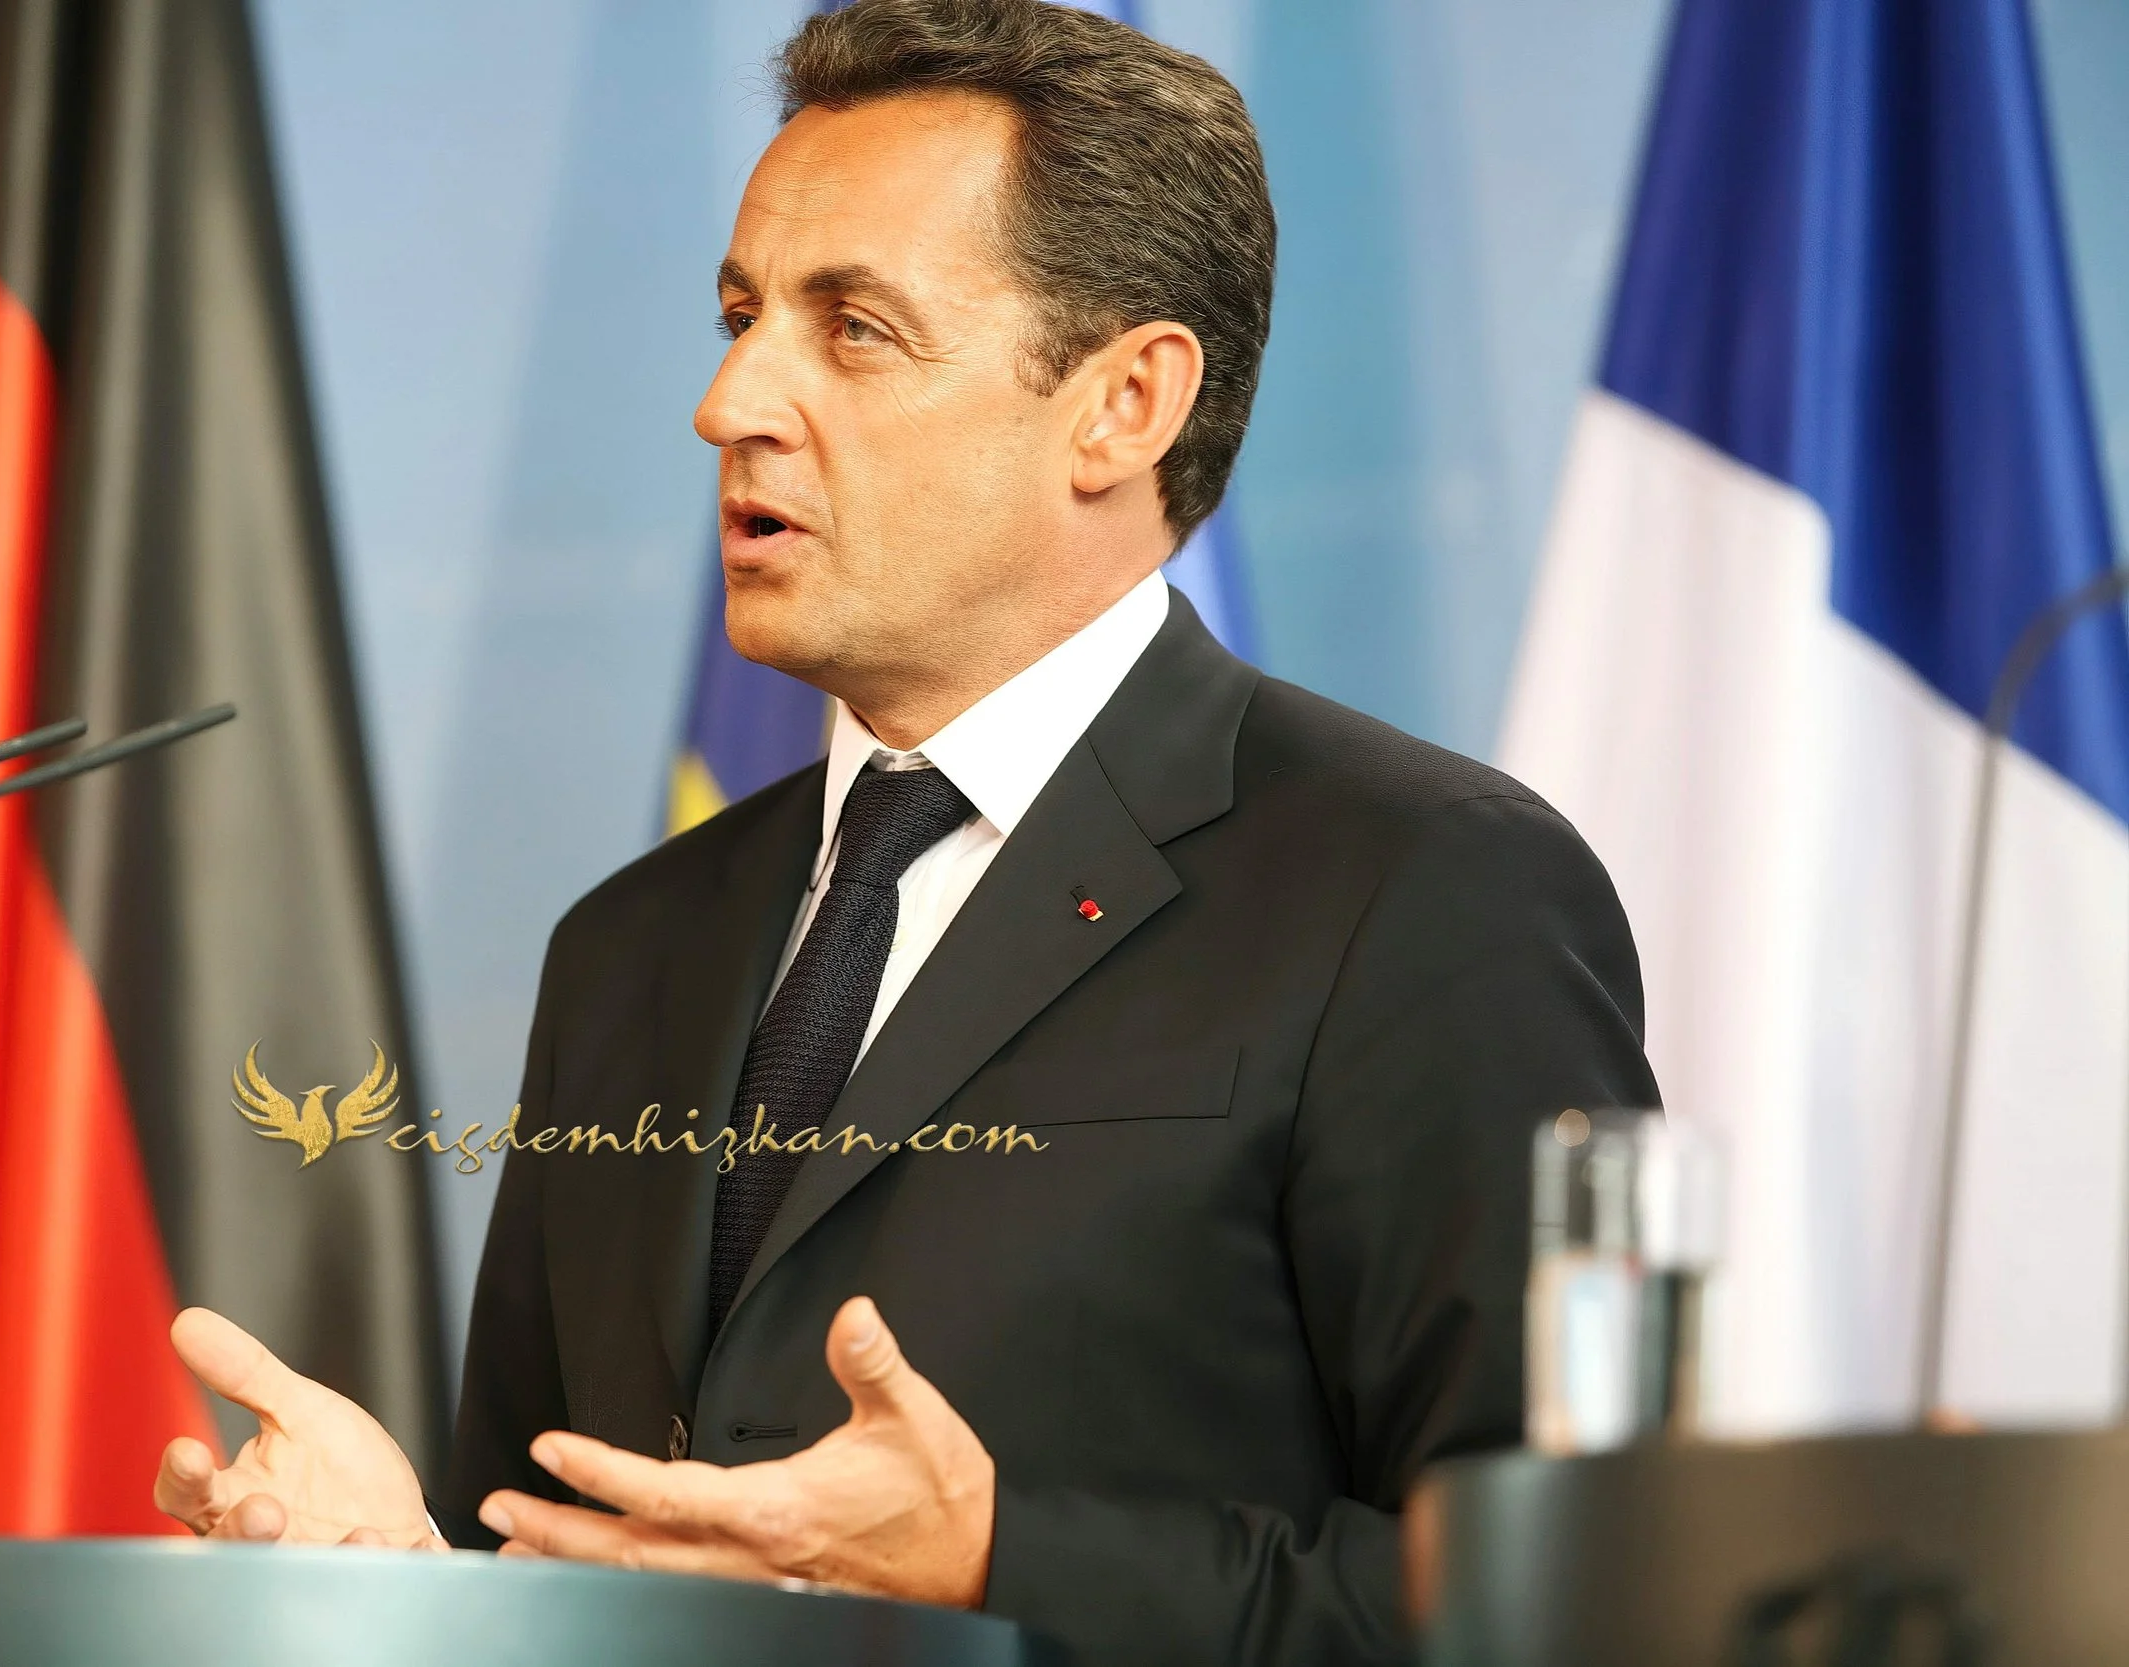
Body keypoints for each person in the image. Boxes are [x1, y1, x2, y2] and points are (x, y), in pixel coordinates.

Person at [151, 2, 1657, 1661]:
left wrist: (998, 1558)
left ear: (1123, 405)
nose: (731, 402)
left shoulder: (1421, 889)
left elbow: (1577, 1596)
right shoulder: (632, 941)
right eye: (739, 316)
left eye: (852, 328)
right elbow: (591, 1565)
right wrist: (415, 1583)